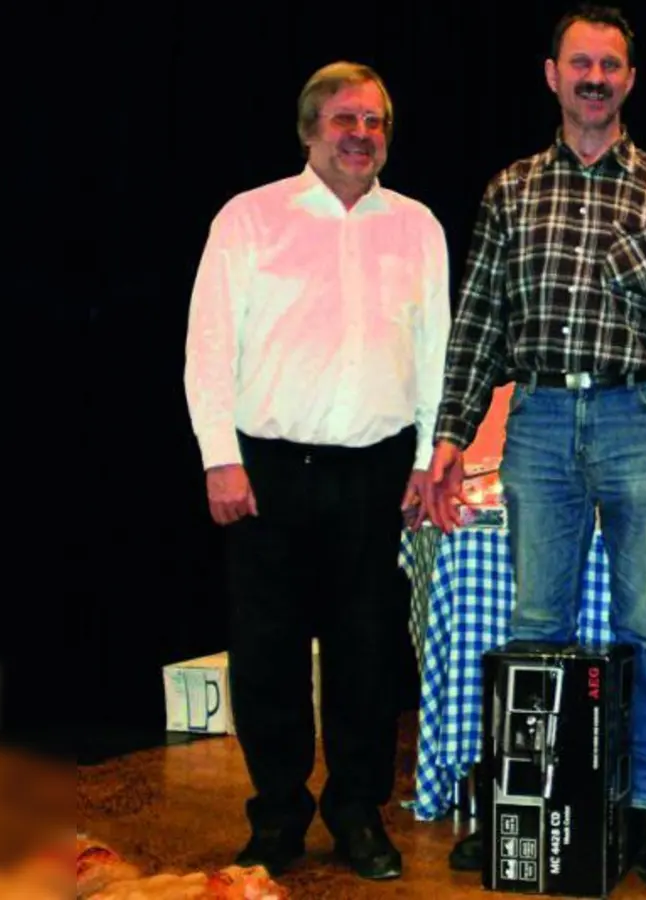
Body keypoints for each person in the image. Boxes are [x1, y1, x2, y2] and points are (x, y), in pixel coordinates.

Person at [425, 4, 646, 886]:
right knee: (534, 626)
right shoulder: (510, 189)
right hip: (541, 422)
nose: (595, 77)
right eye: (580, 62)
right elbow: (477, 320)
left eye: (612, 64)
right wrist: (448, 435)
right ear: (551, 73)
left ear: (631, 79)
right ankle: (524, 801)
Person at [183, 61, 451, 881]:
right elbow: (207, 348)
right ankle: (277, 814)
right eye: (344, 119)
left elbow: (435, 353)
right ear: (309, 130)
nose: (361, 135)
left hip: (374, 474)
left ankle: (357, 810)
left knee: (366, 652)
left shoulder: (417, 226)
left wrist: (421, 461)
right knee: (266, 653)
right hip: (267, 470)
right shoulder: (249, 219)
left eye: (374, 122)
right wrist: (220, 459)